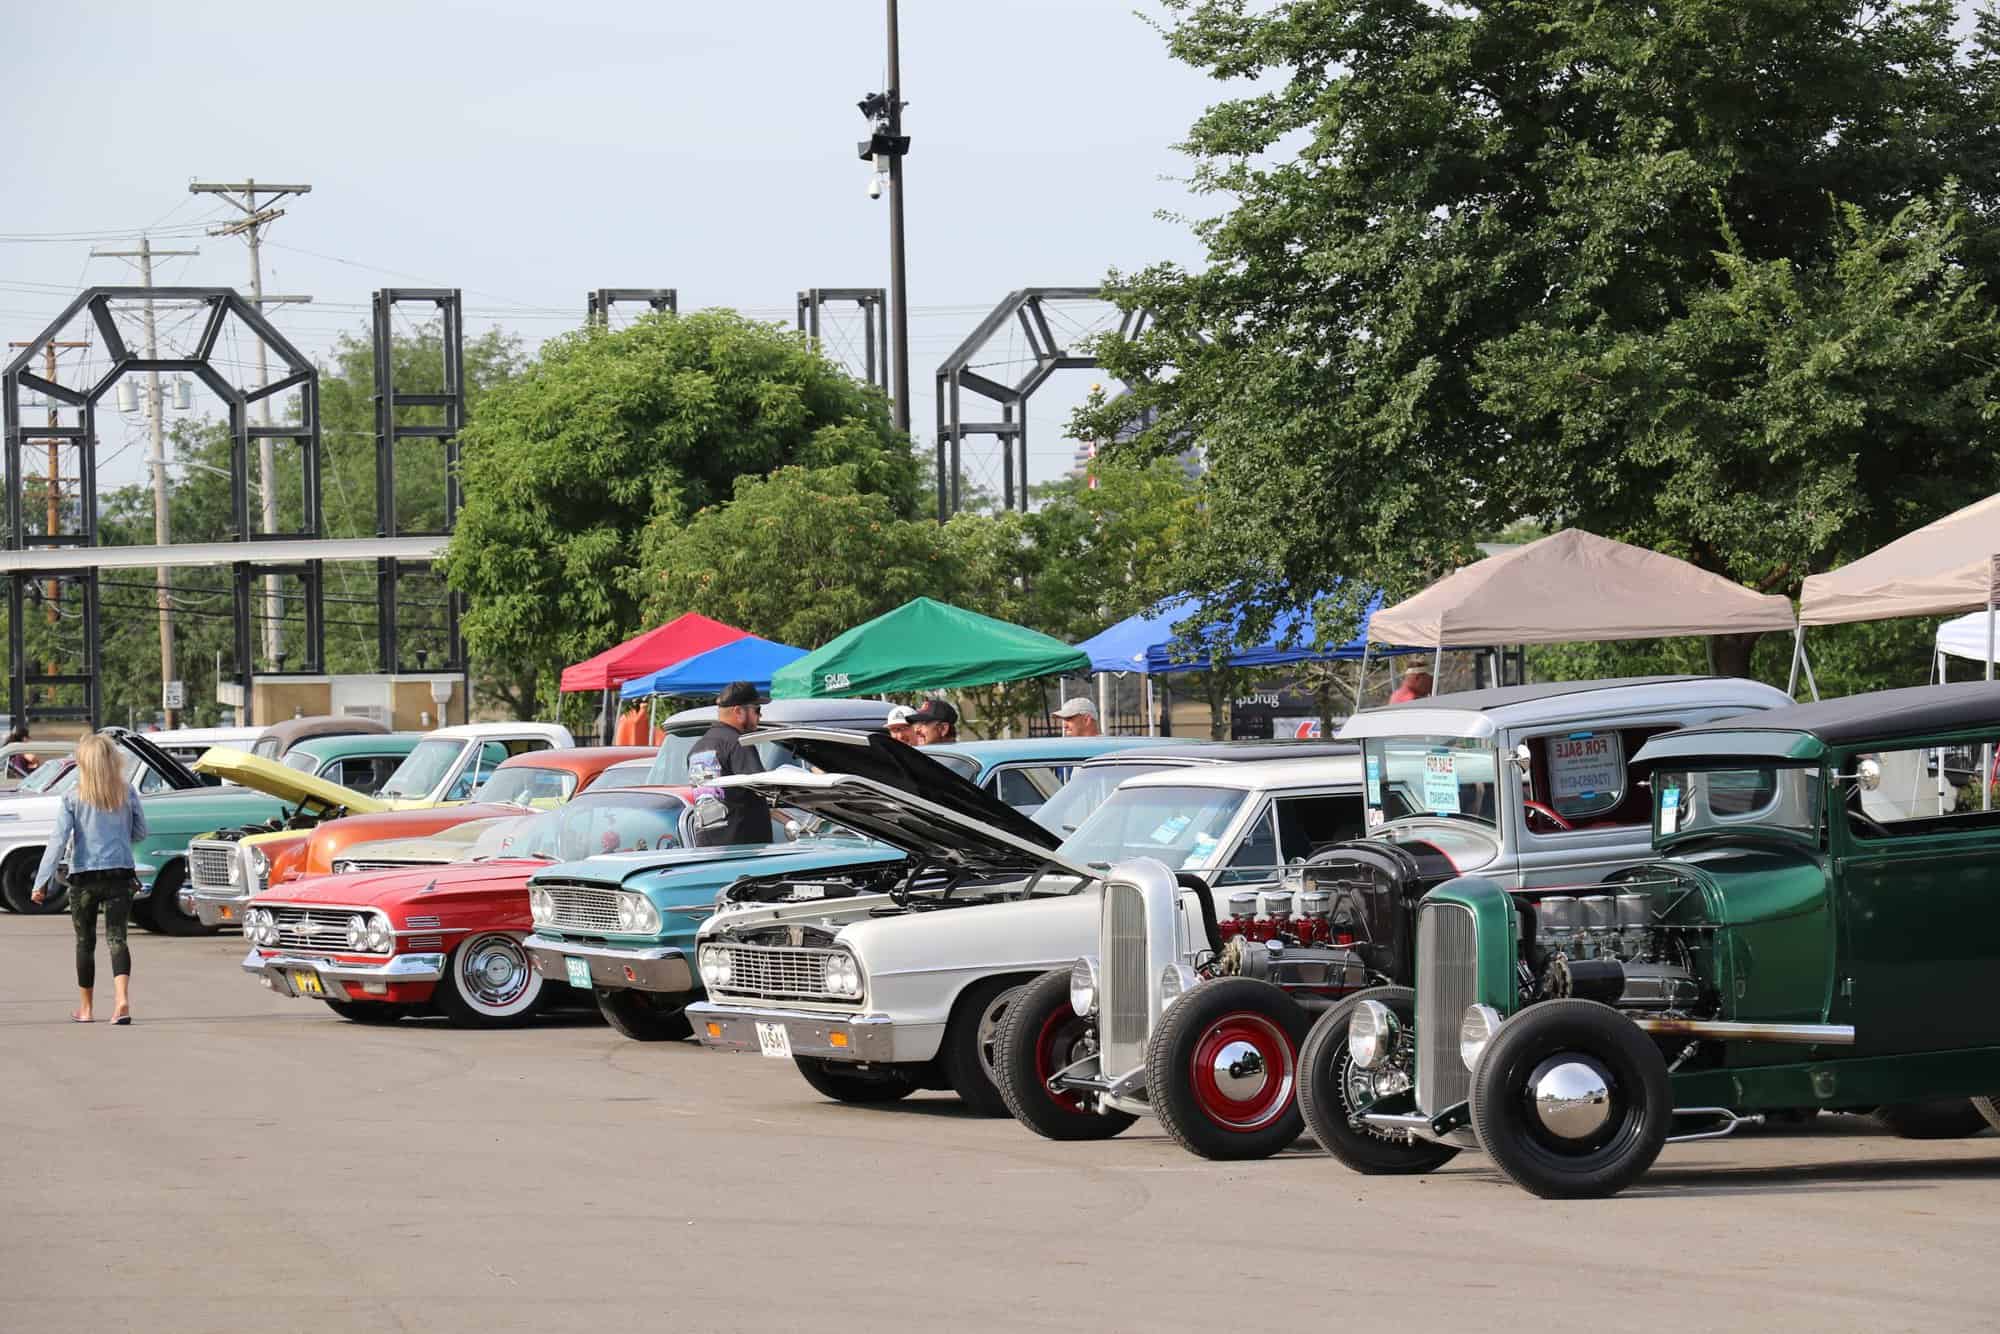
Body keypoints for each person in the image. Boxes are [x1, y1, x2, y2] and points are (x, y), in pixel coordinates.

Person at [32, 732, 145, 1024]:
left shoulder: (73, 796)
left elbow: (58, 842)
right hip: (120, 876)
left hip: (84, 878)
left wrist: (41, 881)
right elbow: (141, 832)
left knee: (85, 943)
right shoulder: (127, 791)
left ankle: (87, 1008)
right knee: (118, 938)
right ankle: (122, 1001)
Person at [686, 681, 772, 847]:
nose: (759, 717)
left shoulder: (697, 749)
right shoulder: (739, 744)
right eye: (757, 710)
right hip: (743, 849)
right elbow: (763, 790)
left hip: (706, 847)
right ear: (738, 711)